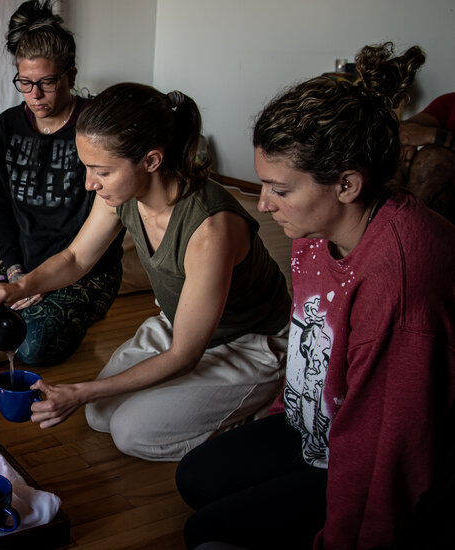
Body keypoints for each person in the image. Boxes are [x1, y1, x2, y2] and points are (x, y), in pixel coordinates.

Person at [176, 43, 455, 550]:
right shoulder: (315, 230)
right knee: (196, 478)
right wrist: (286, 409)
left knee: (205, 536)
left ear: (346, 184)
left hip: (379, 454)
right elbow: (315, 339)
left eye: (279, 190)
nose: (262, 204)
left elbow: (388, 451)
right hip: (323, 426)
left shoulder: (399, 278)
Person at [0, 83, 291, 461]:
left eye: (102, 171)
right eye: (87, 167)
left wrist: (78, 391)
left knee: (132, 434)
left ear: (151, 161)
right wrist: (18, 287)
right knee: (100, 415)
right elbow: (77, 257)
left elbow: (184, 356)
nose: (89, 183)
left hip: (249, 343)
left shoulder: (210, 230)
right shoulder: (121, 195)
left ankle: (257, 415)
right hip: (180, 325)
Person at [0, 0, 124, 368]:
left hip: (85, 269)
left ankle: (78, 319)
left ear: (71, 74)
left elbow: (92, 234)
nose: (34, 95)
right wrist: (18, 272)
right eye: (25, 83)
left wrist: (44, 283)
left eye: (47, 83)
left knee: (33, 344)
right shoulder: (7, 127)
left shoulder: (94, 127)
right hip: (24, 265)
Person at [396, 92, 455, 223]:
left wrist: (431, 135)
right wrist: (408, 139)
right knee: (394, 154)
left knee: (434, 158)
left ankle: (411, 230)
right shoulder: (450, 101)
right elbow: (402, 131)